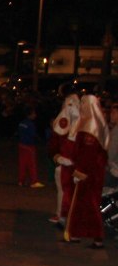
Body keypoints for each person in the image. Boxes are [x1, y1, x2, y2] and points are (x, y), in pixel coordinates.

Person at [64, 94, 108, 248]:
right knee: (86, 204)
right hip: (95, 173)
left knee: (87, 204)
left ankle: (95, 236)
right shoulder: (99, 124)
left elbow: (87, 154)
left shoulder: (89, 127)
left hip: (88, 174)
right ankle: (81, 234)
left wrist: (80, 172)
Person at [48, 94, 80, 226]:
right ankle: (61, 214)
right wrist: (58, 158)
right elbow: (53, 146)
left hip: (77, 166)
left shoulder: (82, 125)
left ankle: (73, 216)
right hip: (63, 166)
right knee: (63, 191)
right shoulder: (60, 124)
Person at [16, 105, 44, 187]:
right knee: (31, 164)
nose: (35, 115)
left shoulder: (21, 123)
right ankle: (34, 181)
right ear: (30, 114)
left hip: (21, 145)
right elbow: (33, 135)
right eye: (34, 113)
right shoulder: (30, 124)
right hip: (29, 146)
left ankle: (21, 180)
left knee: (22, 164)